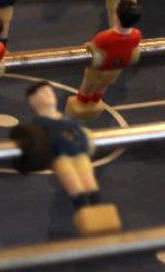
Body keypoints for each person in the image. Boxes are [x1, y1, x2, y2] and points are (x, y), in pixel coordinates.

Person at [25, 81, 121, 235]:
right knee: (74, 184)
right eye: (42, 94)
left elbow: (79, 132)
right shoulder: (39, 123)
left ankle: (97, 207)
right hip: (61, 157)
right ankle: (84, 210)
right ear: (33, 101)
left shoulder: (66, 119)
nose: (48, 96)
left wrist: (84, 142)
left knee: (89, 183)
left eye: (49, 92)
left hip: (78, 153)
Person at [67, 0, 142, 119]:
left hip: (99, 69)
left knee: (87, 86)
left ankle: (83, 101)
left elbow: (92, 47)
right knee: (102, 86)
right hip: (116, 70)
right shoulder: (137, 35)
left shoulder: (104, 37)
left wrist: (87, 46)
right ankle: (95, 100)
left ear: (116, 16)